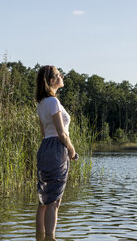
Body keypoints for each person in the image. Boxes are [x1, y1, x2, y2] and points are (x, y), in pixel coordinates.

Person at [35, 65, 77, 239]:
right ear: (52, 81)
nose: (63, 77)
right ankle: (51, 238)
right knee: (54, 201)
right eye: (59, 75)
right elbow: (61, 132)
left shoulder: (42, 103)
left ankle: (40, 237)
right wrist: (72, 150)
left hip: (45, 147)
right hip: (56, 148)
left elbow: (44, 132)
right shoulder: (53, 102)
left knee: (44, 199)